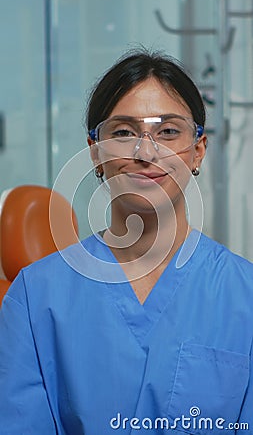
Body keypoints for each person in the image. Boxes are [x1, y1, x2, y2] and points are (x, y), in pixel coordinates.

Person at [0, 49, 253, 435]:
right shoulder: (36, 298)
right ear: (95, 154)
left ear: (198, 150)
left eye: (168, 131)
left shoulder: (244, 295)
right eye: (123, 132)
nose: (145, 152)